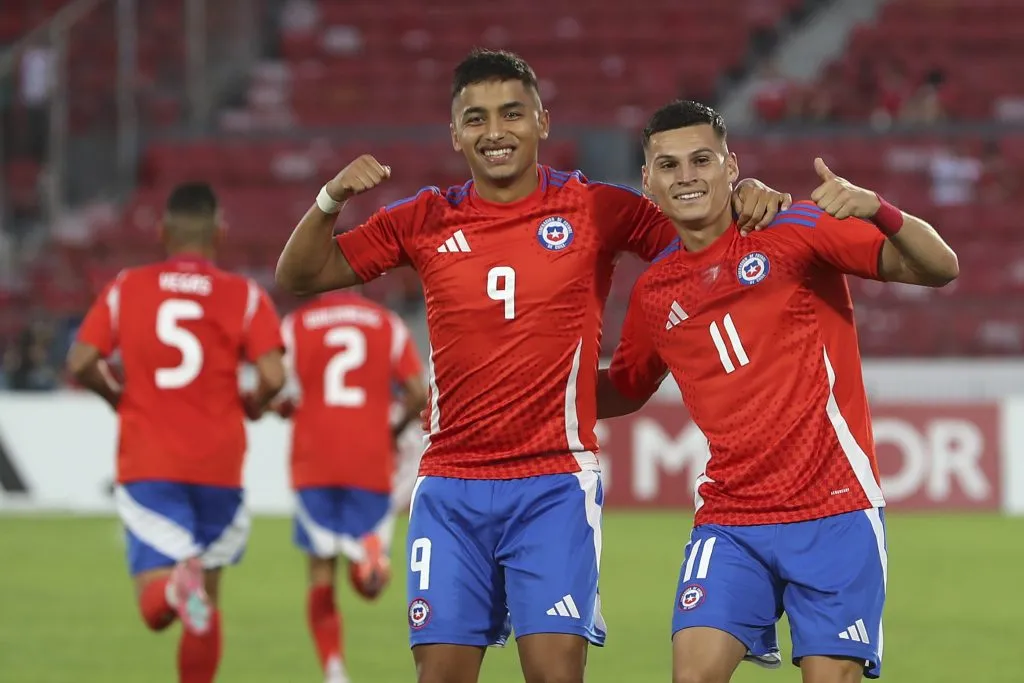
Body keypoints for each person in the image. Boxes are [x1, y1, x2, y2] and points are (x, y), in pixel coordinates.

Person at [275, 49, 791, 683]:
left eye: (512, 113)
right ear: (455, 133)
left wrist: (745, 195)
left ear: (542, 121)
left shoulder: (594, 208)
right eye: (477, 118)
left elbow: (702, 235)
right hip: (450, 484)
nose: (495, 131)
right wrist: (330, 198)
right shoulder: (425, 218)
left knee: (553, 675)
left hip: (553, 483)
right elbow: (300, 274)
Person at [597, 100, 958, 683]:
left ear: (731, 166)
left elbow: (940, 268)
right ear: (648, 181)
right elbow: (625, 388)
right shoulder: (655, 292)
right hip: (730, 518)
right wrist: (533, 387)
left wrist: (879, 209)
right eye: (668, 165)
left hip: (834, 510)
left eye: (701, 160)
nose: (686, 176)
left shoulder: (794, 231)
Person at [66, 182, 286, 683]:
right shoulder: (244, 296)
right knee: (205, 605)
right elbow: (274, 377)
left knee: (158, 608)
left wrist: (116, 398)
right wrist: (253, 406)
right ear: (220, 234)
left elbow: (80, 361)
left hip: (150, 462)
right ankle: (185, 591)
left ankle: (172, 589)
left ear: (163, 232)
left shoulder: (127, 286)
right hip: (219, 466)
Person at [275, 290, 427, 683]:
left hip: (315, 459)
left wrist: (283, 406)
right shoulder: (387, 324)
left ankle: (334, 669)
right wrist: (392, 431)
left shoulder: (298, 324)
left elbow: (275, 383)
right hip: (369, 458)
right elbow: (417, 393)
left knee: (320, 570)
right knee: (368, 588)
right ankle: (368, 558)